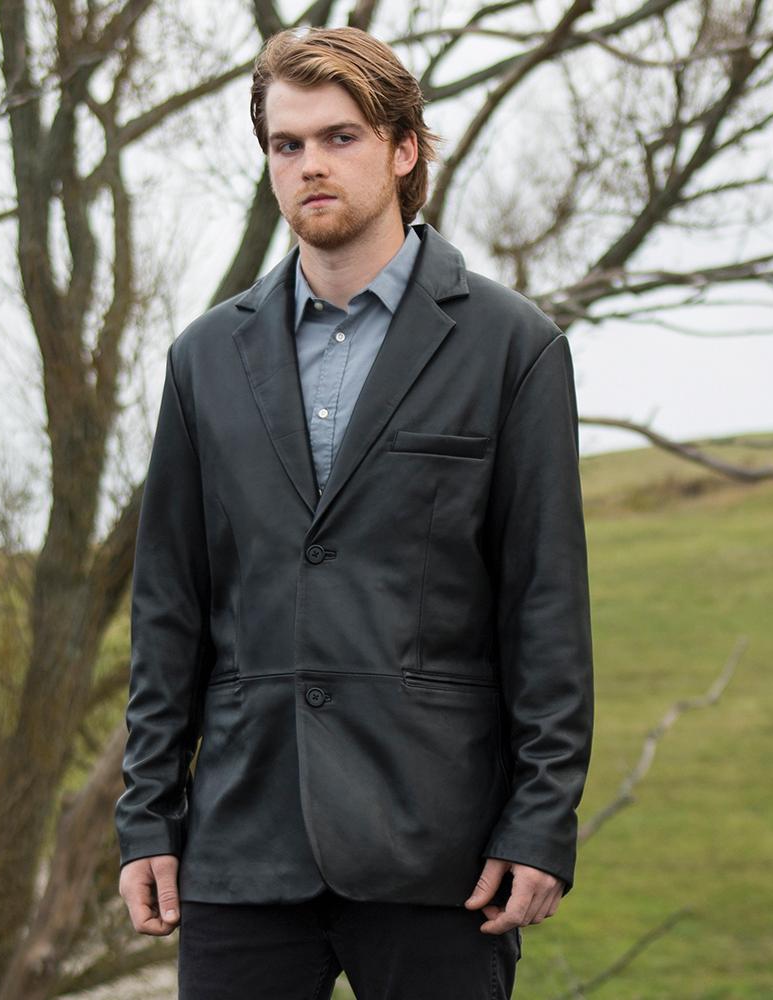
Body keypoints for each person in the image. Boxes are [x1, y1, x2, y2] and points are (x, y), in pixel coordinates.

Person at [116, 25, 594, 1000]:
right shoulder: (204, 358)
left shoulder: (513, 347)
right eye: (286, 145)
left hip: (440, 846)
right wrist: (146, 816)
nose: (310, 165)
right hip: (243, 840)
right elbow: (169, 607)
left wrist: (542, 817)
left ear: (403, 149)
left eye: (339, 137)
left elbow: (544, 605)